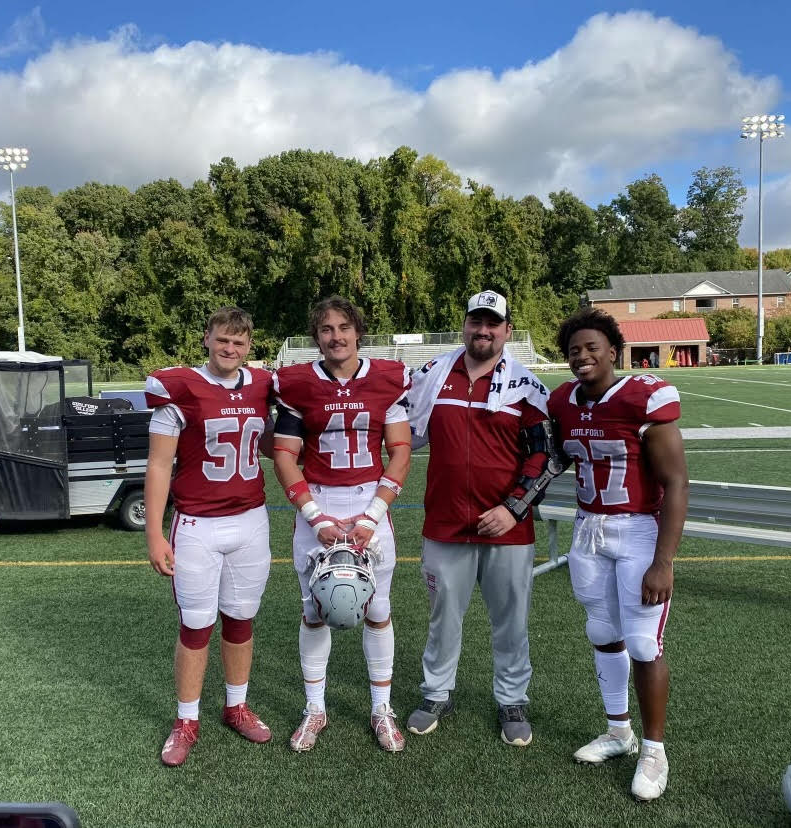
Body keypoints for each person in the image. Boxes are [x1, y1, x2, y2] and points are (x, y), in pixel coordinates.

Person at [405, 290, 559, 748]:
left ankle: (512, 698)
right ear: (465, 325)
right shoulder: (433, 376)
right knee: (442, 617)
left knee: (511, 621)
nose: (483, 330)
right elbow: (398, 427)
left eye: (493, 323)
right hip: (446, 524)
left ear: (507, 330)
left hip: (508, 531)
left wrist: (513, 509)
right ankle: (436, 693)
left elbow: (545, 456)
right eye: (476, 321)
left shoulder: (526, 387)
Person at [546, 307, 688, 802]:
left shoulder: (642, 396)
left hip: (637, 530)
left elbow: (675, 480)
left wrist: (664, 560)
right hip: (587, 528)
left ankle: (654, 749)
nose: (582, 356)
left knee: (644, 643)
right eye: (573, 350)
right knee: (603, 633)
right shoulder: (562, 401)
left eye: (591, 348)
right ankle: (618, 731)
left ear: (612, 350)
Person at [271, 296, 412, 753]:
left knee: (377, 608)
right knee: (314, 611)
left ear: (358, 332)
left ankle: (381, 708)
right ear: (317, 337)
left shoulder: (387, 380)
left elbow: (401, 451)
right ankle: (315, 708)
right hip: (319, 501)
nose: (336, 336)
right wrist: (315, 517)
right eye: (327, 329)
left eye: (344, 327)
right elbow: (285, 455)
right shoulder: (296, 385)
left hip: (370, 500)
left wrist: (372, 515)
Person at [144, 307, 275, 767]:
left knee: (241, 618)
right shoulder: (178, 387)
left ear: (249, 347)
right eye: (223, 339)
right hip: (197, 523)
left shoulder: (263, 385)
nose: (230, 349)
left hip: (251, 520)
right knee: (197, 624)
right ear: (206, 338)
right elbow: (159, 464)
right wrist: (154, 533)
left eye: (239, 343)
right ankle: (186, 719)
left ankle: (236, 706)